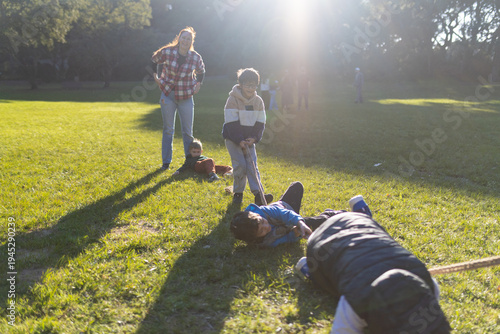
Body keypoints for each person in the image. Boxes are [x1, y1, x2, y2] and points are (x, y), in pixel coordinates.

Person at [297, 212, 451, 333]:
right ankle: (309, 269)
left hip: (360, 221)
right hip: (320, 242)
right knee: (335, 286)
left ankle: (359, 208)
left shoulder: (428, 284)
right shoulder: (356, 300)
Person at [230, 181, 370, 248]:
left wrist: (300, 222)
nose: (265, 226)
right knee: (316, 223)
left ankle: (325, 216)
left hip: (287, 208)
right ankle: (337, 215)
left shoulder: (262, 212)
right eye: (261, 231)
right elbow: (284, 240)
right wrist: (295, 234)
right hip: (290, 227)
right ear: (254, 238)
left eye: (263, 222)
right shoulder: (267, 242)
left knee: (297, 186)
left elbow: (283, 213)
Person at [152, 26, 206, 170]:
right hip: (167, 94)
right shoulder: (168, 51)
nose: (185, 41)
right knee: (168, 129)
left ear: (191, 41)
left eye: (189, 39)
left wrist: (198, 84)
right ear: (179, 38)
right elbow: (155, 59)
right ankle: (166, 163)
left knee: (187, 132)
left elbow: (201, 71)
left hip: (186, 96)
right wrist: (156, 77)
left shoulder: (195, 57)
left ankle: (189, 162)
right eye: (183, 37)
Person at [222, 68, 272, 206]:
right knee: (240, 166)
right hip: (233, 139)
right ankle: (238, 193)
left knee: (252, 165)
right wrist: (239, 140)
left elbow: (260, 122)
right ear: (241, 84)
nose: (251, 88)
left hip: (249, 140)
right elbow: (231, 122)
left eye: (254, 85)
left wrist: (254, 138)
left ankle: (258, 195)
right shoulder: (232, 100)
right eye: (248, 85)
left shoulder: (258, 101)